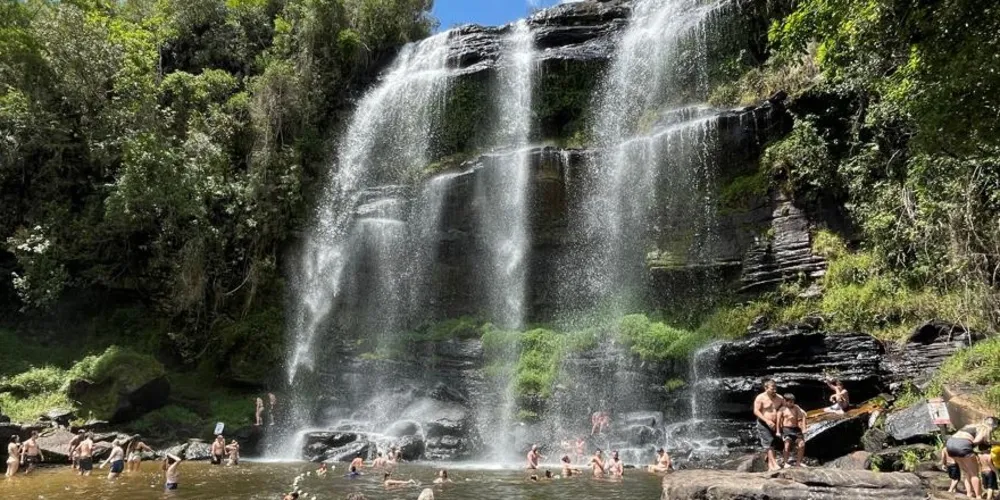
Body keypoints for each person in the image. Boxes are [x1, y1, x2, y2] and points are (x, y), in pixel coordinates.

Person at [946, 416, 998, 499]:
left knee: (966, 473)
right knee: (974, 474)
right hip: (962, 445)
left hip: (950, 444)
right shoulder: (984, 428)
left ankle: (969, 494)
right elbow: (976, 441)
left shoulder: (971, 426)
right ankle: (978, 497)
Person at [753, 379, 785, 471]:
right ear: (765, 388)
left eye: (775, 387)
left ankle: (771, 465)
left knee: (774, 443)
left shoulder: (780, 398)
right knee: (769, 443)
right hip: (764, 423)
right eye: (772, 388)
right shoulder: (760, 398)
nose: (774, 390)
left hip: (776, 425)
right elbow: (756, 411)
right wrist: (767, 420)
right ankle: (774, 463)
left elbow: (786, 408)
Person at [778, 393, 807, 468]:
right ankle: (785, 462)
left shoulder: (796, 407)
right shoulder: (782, 409)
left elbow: (803, 415)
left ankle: (798, 463)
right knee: (787, 445)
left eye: (793, 402)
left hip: (796, 429)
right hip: (786, 429)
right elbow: (778, 421)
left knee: (802, 444)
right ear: (785, 401)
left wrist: (803, 428)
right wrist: (778, 431)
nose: (792, 403)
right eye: (790, 402)